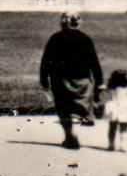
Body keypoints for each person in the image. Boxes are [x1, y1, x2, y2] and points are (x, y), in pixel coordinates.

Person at [38, 12, 102, 150]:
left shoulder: (55, 38)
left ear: (63, 22)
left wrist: (44, 80)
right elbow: (94, 62)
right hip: (83, 80)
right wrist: (99, 82)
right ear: (78, 22)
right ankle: (75, 132)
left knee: (64, 108)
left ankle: (69, 135)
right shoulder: (85, 39)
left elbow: (46, 61)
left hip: (60, 79)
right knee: (79, 108)